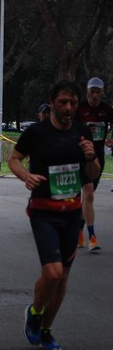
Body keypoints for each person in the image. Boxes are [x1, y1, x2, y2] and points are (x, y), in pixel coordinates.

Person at [9, 79, 100, 350]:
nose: (68, 107)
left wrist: (90, 157)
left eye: (73, 103)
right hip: (43, 212)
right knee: (53, 272)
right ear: (52, 103)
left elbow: (94, 174)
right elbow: (14, 158)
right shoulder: (37, 132)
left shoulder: (82, 133)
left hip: (72, 215)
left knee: (62, 279)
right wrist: (26, 175)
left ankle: (46, 331)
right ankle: (35, 312)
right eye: (63, 102)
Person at [75, 77, 113, 250]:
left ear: (102, 92)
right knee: (88, 194)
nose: (95, 96)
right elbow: (68, 128)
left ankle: (79, 232)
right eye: (92, 92)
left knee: (88, 196)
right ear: (87, 92)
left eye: (98, 92)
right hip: (81, 156)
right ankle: (92, 237)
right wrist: (82, 131)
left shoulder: (107, 110)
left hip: (98, 158)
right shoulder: (80, 108)